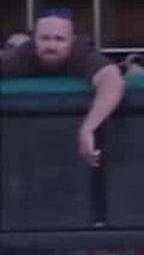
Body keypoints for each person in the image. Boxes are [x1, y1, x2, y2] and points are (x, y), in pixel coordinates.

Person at [0, 10, 126, 168]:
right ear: (34, 40)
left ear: (72, 40)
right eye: (44, 38)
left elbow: (112, 81)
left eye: (59, 39)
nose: (51, 46)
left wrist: (89, 128)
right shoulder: (22, 55)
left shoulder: (80, 52)